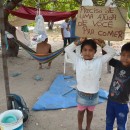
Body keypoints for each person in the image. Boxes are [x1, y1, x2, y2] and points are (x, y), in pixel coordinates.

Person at [65, 38, 116, 130]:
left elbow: (112, 52)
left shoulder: (99, 61)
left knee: (90, 112)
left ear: (95, 52)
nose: (87, 53)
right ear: (81, 52)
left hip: (94, 94)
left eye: (90, 50)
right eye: (84, 50)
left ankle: (88, 127)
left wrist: (101, 44)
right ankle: (79, 127)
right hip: (81, 93)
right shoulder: (78, 60)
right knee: (80, 112)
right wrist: (79, 41)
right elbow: (67, 49)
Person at [106, 42, 130, 130]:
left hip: (123, 104)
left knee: (121, 126)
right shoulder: (117, 64)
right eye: (123, 55)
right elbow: (108, 57)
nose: (125, 58)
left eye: (128, 56)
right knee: (109, 123)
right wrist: (102, 45)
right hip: (111, 101)